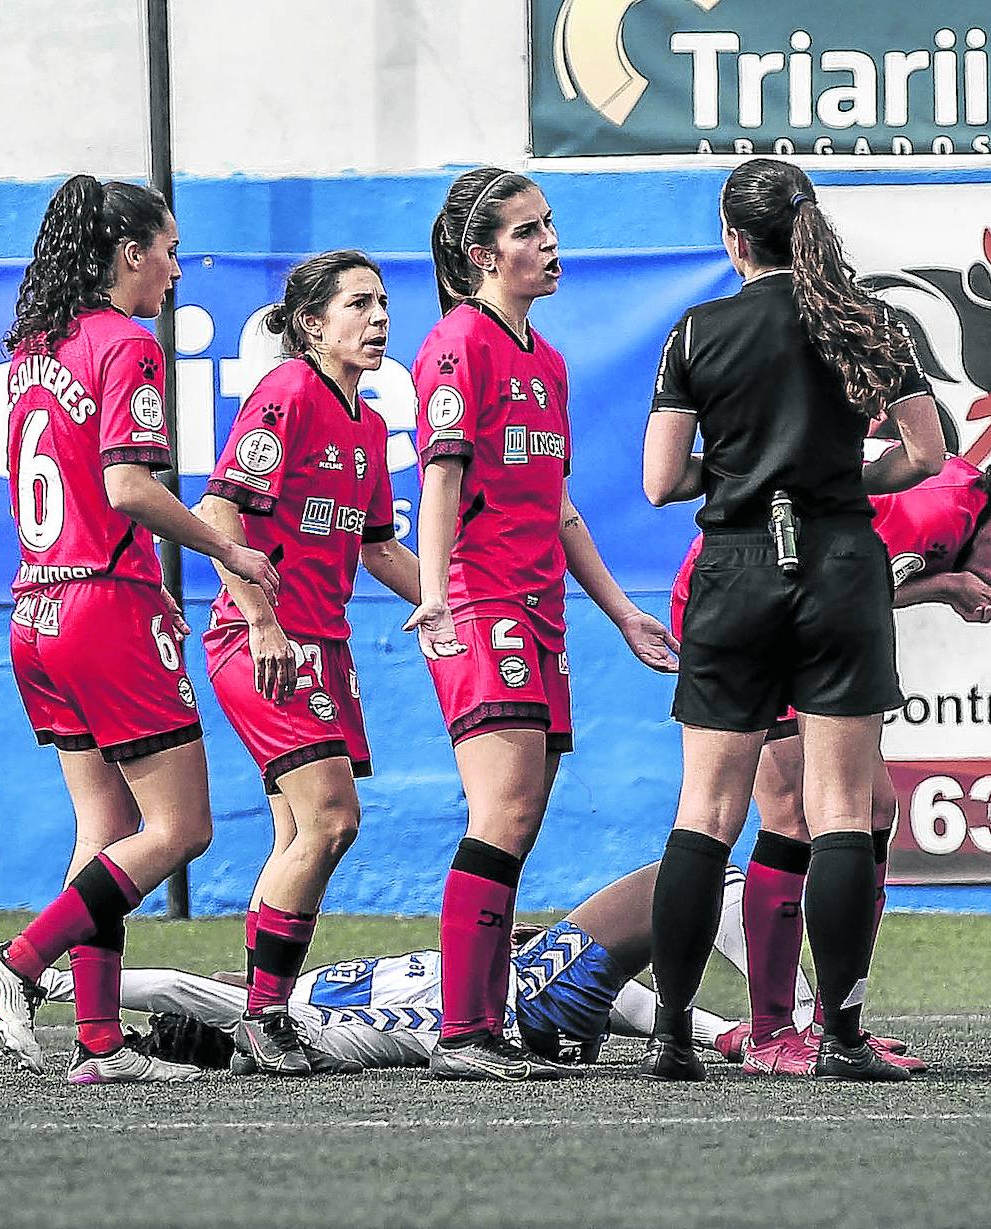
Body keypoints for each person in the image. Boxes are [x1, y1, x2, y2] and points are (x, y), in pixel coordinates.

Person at [641, 157, 947, 1082]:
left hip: (735, 569)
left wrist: (744, 471)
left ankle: (671, 1033)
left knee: (706, 809)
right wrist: (836, 471)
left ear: (734, 238)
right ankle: (843, 1037)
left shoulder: (697, 330)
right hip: (840, 564)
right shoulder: (869, 320)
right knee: (841, 808)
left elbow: (661, 479)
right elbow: (926, 455)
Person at [672, 447, 991, 1074]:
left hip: (798, 617)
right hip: (747, 609)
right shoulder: (934, 514)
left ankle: (838, 1023)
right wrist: (946, 586)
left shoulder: (965, 513)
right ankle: (770, 1032)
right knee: (790, 814)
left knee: (873, 809)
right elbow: (835, 583)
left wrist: (945, 586)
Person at [0, 175, 278, 1084]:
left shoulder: (34, 348)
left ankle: (100, 1042)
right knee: (182, 827)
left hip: (37, 609)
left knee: (107, 825)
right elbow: (126, 486)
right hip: (103, 609)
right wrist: (227, 550)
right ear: (129, 254)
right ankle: (15, 965)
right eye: (169, 251)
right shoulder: (125, 342)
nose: (176, 269)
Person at [404, 166, 679, 1081]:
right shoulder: (458, 343)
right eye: (527, 231)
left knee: (519, 819)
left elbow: (558, 509)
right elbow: (440, 475)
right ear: (483, 256)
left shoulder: (547, 361)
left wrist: (623, 613)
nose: (550, 242)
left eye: (549, 224)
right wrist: (436, 592)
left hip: (541, 612)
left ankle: (483, 1023)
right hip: (483, 604)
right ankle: (464, 1032)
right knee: (505, 809)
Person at [195, 251, 420, 1076]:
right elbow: (217, 511)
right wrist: (261, 622)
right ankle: (264, 1016)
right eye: (358, 303)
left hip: (322, 643)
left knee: (299, 832)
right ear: (312, 325)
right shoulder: (287, 391)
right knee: (332, 819)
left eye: (382, 301)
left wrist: (452, 603)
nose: (379, 316)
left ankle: (250, 1017)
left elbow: (379, 547)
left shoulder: (367, 425)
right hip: (262, 640)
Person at [38, 862, 760, 1074]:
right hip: (521, 1012)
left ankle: (738, 1034)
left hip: (525, 1005)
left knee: (680, 886)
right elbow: (176, 986)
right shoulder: (290, 1026)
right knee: (684, 875)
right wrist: (50, 973)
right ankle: (786, 1022)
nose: (232, 981)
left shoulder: (297, 992)